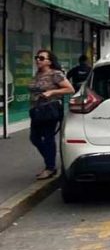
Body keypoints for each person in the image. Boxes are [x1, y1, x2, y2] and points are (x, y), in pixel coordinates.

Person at [29, 50, 75, 180]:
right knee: (34, 138)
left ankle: (50, 167)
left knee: (48, 138)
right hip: (36, 110)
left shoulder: (56, 74)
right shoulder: (38, 74)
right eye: (37, 57)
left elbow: (70, 89)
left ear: (49, 61)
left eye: (42, 58)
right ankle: (50, 162)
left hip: (49, 110)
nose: (38, 60)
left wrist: (52, 92)